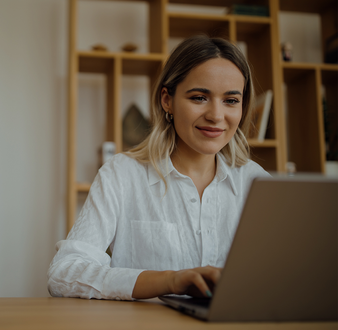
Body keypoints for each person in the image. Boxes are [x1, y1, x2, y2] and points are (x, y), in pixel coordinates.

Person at [48, 35, 270, 301]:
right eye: (199, 97)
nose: (216, 115)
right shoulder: (122, 174)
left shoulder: (258, 183)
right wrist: (169, 280)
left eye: (231, 100)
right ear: (167, 100)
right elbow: (63, 274)